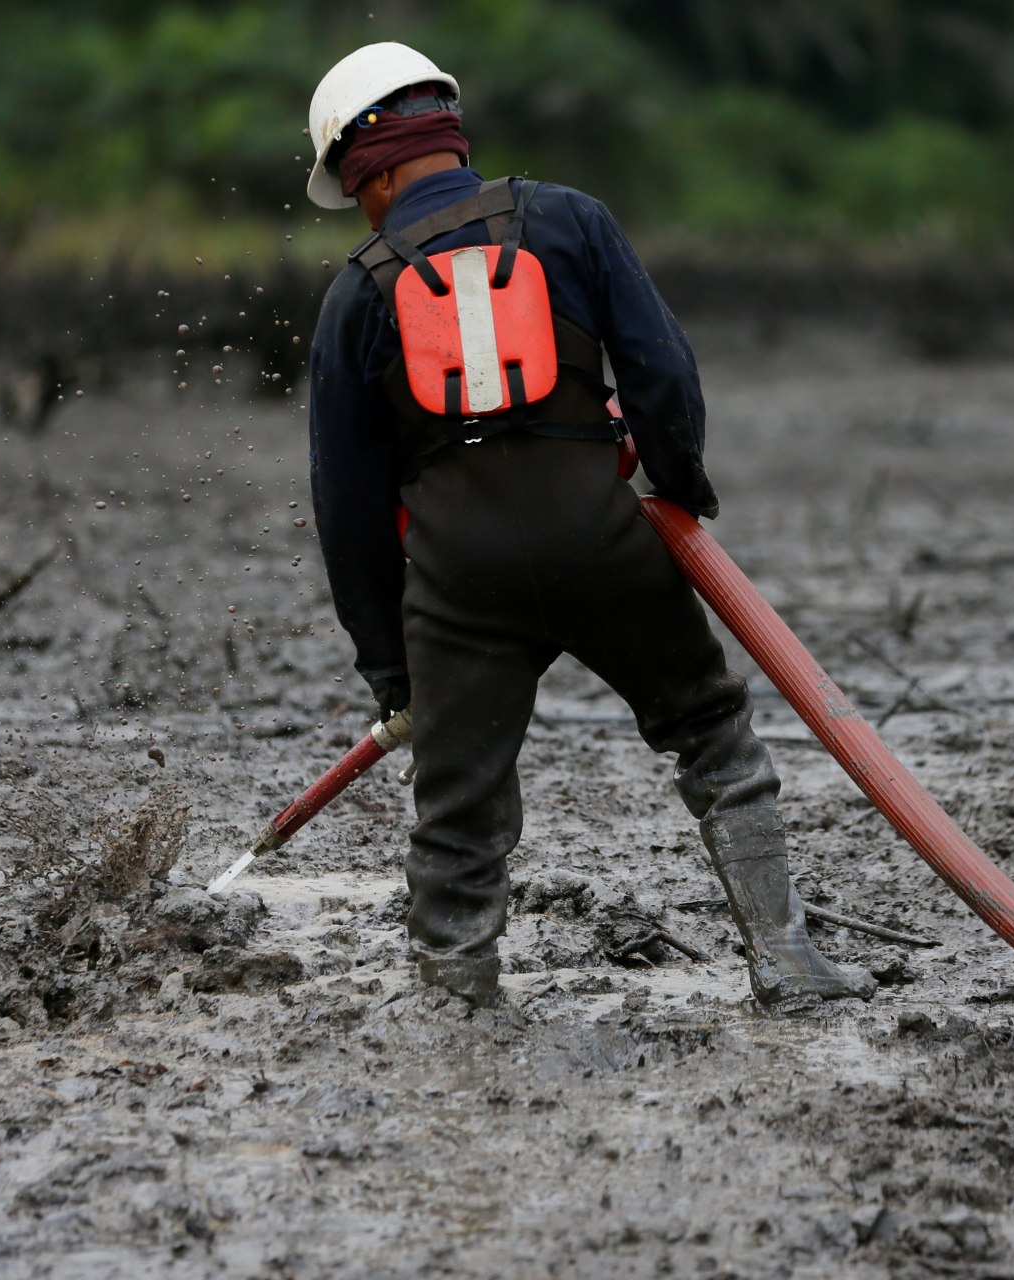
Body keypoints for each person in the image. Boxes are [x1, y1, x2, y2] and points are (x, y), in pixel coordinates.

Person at [302, 42, 875, 1008]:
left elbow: (346, 508)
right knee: (713, 734)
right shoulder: (569, 221)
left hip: (459, 581)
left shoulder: (357, 293)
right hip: (603, 538)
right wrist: (679, 493)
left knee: (457, 813)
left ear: (373, 168)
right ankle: (786, 962)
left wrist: (391, 668)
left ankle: (456, 1001)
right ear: (447, 132)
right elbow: (663, 376)